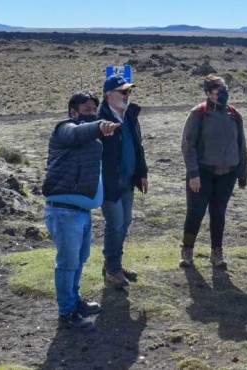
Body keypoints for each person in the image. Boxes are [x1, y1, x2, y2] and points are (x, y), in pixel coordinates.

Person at [42, 91, 120, 330]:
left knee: (78, 260)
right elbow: (77, 132)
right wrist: (98, 125)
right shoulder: (63, 129)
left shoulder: (92, 140)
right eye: (86, 110)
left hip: (81, 212)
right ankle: (66, 313)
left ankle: (75, 302)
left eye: (94, 111)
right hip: (64, 212)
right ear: (73, 112)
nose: (91, 115)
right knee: (67, 263)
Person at [179, 74, 247, 268]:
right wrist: (193, 173)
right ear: (209, 94)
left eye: (225, 89)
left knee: (219, 213)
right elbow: (188, 145)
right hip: (203, 172)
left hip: (228, 174)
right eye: (219, 90)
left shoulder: (234, 114)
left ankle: (216, 252)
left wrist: (242, 175)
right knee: (195, 212)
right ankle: (187, 249)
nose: (224, 93)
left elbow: (241, 145)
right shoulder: (198, 113)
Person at [98, 75, 148, 289]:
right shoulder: (98, 119)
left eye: (129, 92)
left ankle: (114, 263)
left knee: (125, 223)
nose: (128, 95)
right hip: (110, 183)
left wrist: (142, 172)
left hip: (128, 180)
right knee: (115, 225)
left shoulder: (129, 117)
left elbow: (138, 146)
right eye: (123, 92)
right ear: (109, 95)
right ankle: (112, 269)